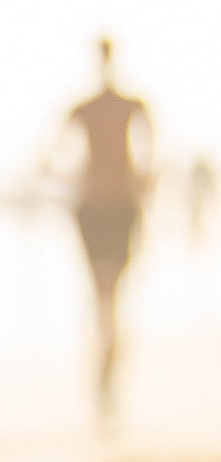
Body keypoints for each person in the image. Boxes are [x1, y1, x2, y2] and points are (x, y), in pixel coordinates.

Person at [65, 35, 154, 420]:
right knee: (111, 293)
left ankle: (106, 370)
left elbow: (51, 158)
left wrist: (76, 181)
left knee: (104, 295)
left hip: (100, 203)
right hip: (116, 204)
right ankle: (108, 369)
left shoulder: (86, 109)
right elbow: (151, 159)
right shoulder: (129, 106)